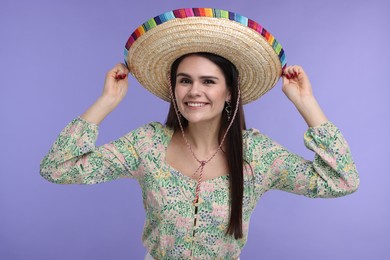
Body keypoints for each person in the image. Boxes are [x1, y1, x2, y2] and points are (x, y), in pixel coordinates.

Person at [40, 8, 359, 260]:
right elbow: (57, 167)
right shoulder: (147, 144)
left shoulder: (257, 156)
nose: (194, 91)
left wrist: (306, 103)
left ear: (230, 92)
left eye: (208, 81)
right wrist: (106, 101)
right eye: (184, 80)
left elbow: (341, 180)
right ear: (174, 87)